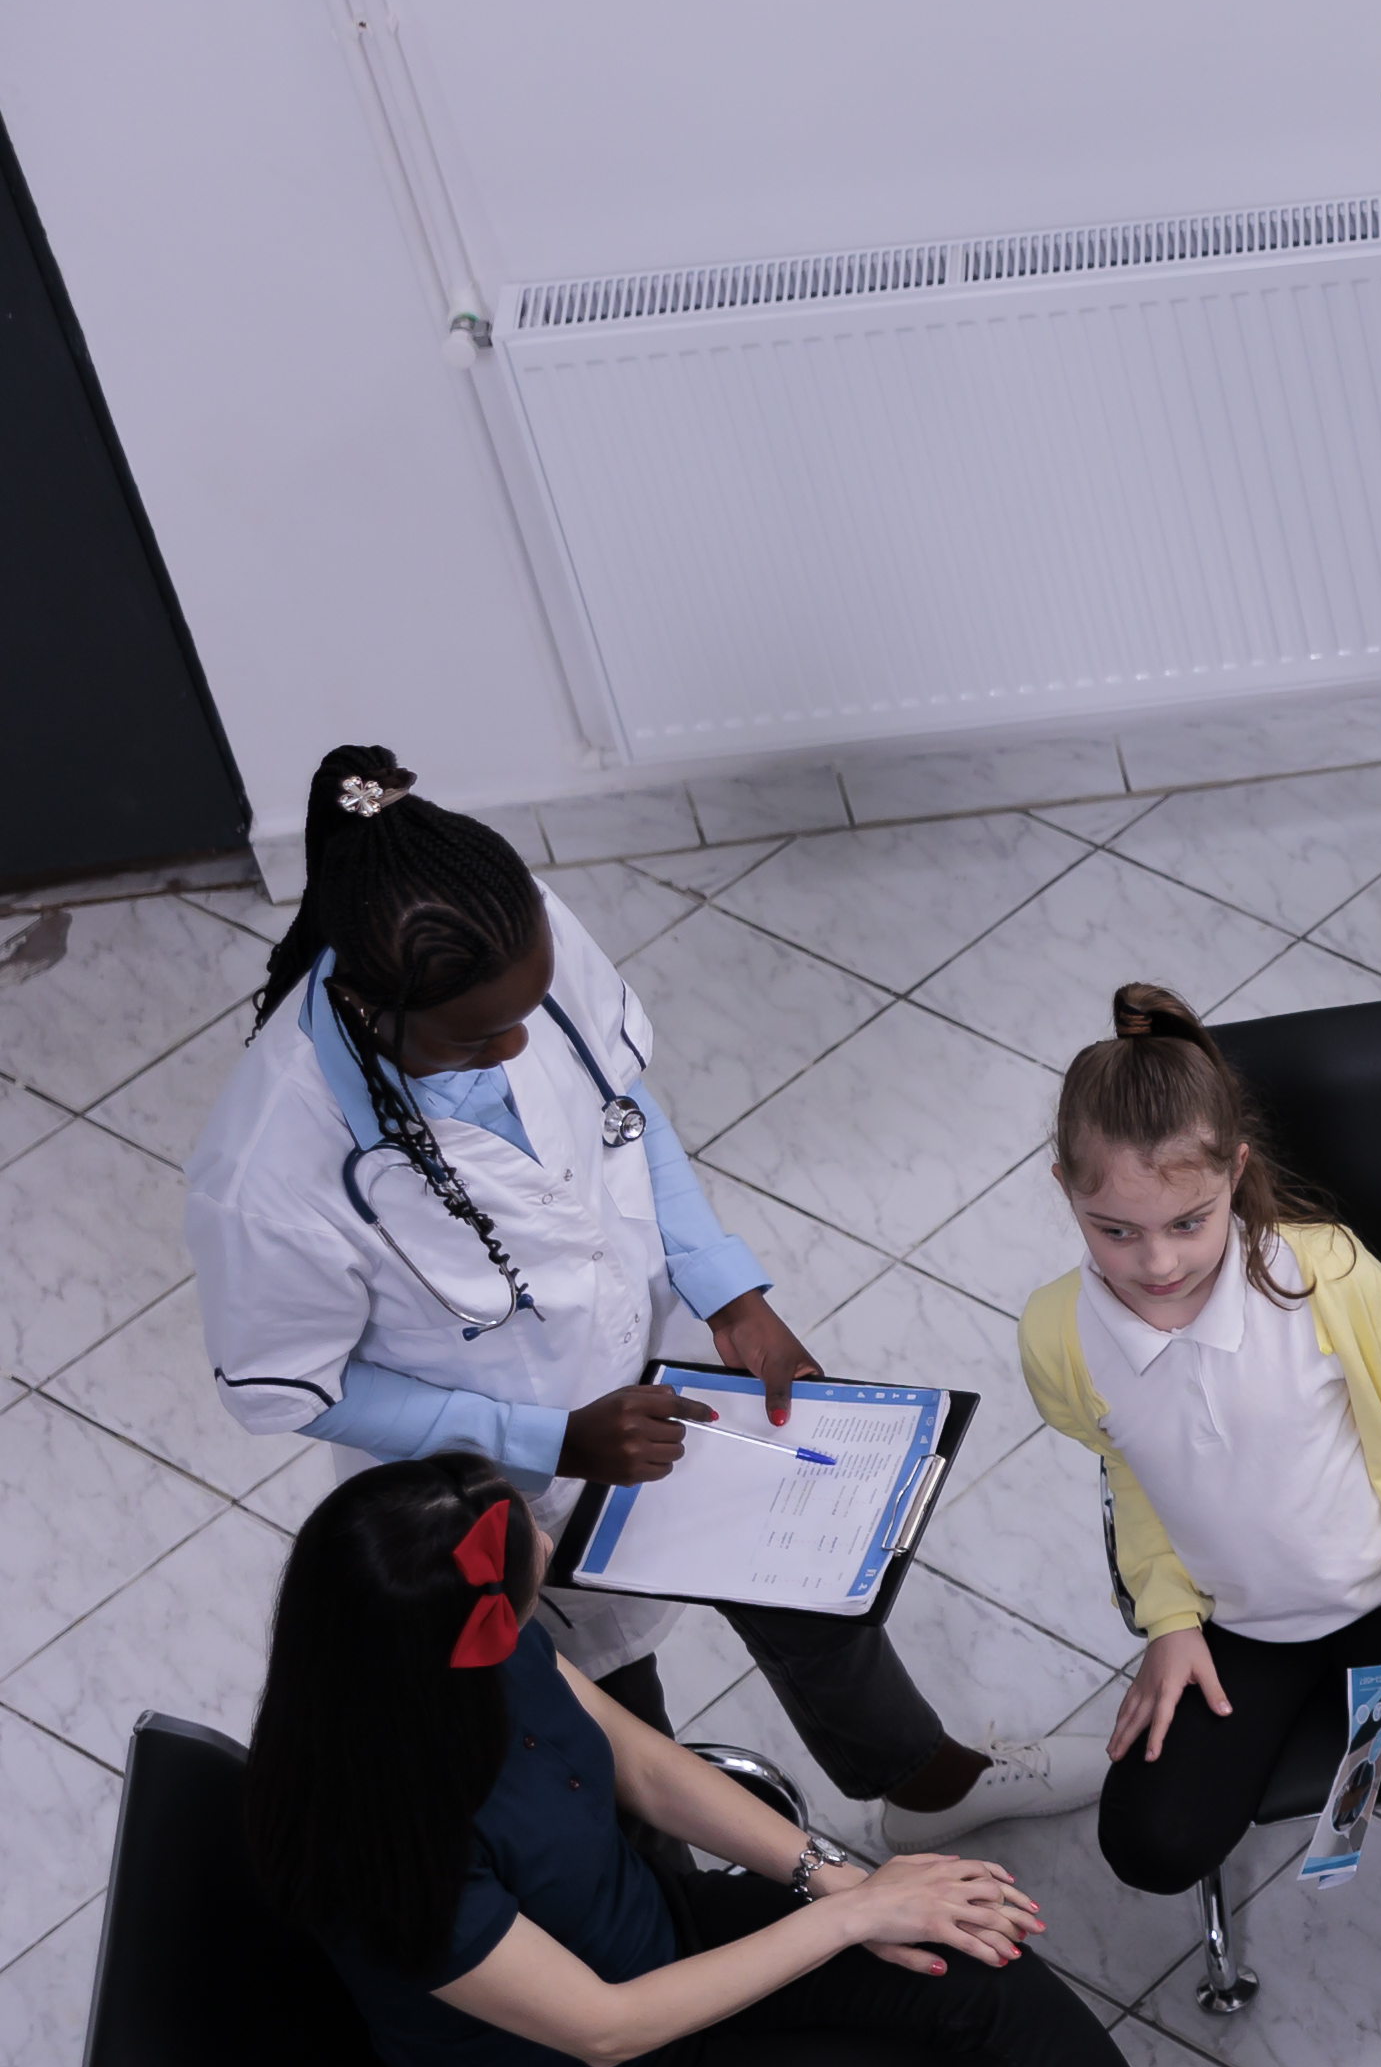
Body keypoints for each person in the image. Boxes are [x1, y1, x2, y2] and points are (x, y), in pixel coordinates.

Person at [247, 1455, 1381, 2067]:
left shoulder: (466, 1658)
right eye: (526, 1566)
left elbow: (642, 1765)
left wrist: (838, 1880)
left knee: (970, 1965)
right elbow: (606, 2028)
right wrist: (849, 1921)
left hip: (663, 1938)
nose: (552, 1554)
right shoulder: (379, 1849)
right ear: (464, 1633)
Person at [185, 746, 1075, 1837]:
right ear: (370, 1007)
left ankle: (927, 1785)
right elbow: (297, 1389)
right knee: (611, 1730)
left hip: (647, 1364)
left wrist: (727, 1290)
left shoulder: (518, 934)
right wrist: (552, 1438)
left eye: (528, 1009)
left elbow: (623, 1108)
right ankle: (679, 1903)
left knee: (803, 1568)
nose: (519, 1044)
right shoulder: (266, 1173)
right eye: (477, 1037)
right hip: (498, 1476)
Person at [1015, 986, 1381, 1975]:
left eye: (1188, 1222)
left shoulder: (1329, 1277)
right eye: (1114, 1230)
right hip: (1239, 1629)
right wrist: (1171, 1622)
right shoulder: (1055, 1335)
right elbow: (1132, 1475)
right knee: (1149, 1843)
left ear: (1235, 1171)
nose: (1157, 1263)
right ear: (1064, 1190)